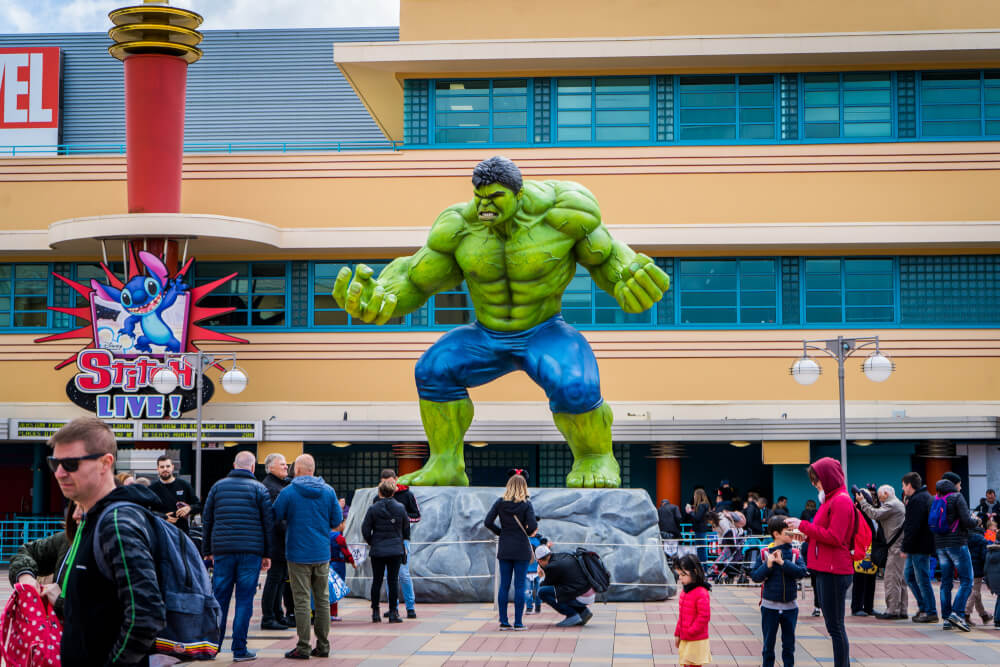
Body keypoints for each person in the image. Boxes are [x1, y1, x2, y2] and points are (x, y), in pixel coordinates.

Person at [334, 156, 669, 490]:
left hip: (544, 330)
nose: (484, 206)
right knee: (433, 368)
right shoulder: (459, 228)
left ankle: (595, 456)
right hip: (487, 335)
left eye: (495, 197)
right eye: (479, 197)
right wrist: (383, 297)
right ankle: (445, 462)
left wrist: (626, 278)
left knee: (575, 386)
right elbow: (415, 278)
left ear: (518, 194)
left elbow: (608, 256)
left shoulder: (563, 213)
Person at [47, 416, 168, 666]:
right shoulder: (94, 519)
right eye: (54, 462)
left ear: (105, 463)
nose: (59, 473)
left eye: (70, 463)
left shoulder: (117, 522)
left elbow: (146, 616)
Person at [202, 450, 275, 662]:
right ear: (253, 468)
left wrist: (207, 550)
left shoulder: (217, 487)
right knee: (244, 600)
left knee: (220, 599)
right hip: (250, 553)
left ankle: (213, 647)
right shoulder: (259, 489)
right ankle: (240, 650)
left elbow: (208, 520)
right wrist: (267, 554)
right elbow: (267, 524)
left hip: (223, 552)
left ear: (234, 465)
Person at [785, 458, 855, 667]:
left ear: (828, 478)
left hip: (834, 569)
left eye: (817, 480)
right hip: (826, 568)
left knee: (835, 626)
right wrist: (804, 534)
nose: (815, 484)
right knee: (833, 625)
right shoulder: (831, 500)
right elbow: (825, 534)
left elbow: (835, 537)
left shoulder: (840, 501)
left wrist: (803, 526)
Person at [273, 454, 343, 659]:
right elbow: (337, 520)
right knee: (322, 600)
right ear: (313, 469)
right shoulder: (329, 491)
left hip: (297, 553)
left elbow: (275, 514)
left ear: (298, 470)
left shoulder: (289, 492)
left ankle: (303, 646)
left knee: (301, 601)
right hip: (321, 553)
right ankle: (323, 646)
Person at [8, 500, 81, 620]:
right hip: (61, 634)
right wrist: (25, 575)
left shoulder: (111, 549)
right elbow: (25, 551)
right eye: (75, 506)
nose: (76, 514)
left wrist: (60, 603)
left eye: (84, 506)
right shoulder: (67, 540)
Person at [751, 516, 807, 667]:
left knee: (789, 646)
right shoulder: (764, 553)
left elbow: (802, 572)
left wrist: (783, 563)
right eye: (788, 531)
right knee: (768, 645)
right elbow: (755, 577)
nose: (792, 533)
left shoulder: (795, 553)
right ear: (776, 534)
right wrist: (767, 565)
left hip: (790, 607)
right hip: (769, 607)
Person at [484, 473, 537, 630]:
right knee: (520, 585)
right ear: (524, 487)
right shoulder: (527, 504)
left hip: (505, 547)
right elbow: (533, 527)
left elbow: (487, 522)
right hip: (521, 548)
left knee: (504, 586)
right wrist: (525, 532)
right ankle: (519, 623)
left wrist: (501, 532)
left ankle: (504, 622)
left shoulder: (500, 503)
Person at [933, 471, 977, 631]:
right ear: (953, 484)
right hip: (957, 543)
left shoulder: (936, 498)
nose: (961, 486)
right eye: (959, 483)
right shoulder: (957, 497)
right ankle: (957, 614)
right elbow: (966, 521)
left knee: (946, 582)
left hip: (940, 545)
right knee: (967, 580)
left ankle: (946, 618)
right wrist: (976, 521)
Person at [362, 479, 410, 624]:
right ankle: (393, 612)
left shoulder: (373, 509)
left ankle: (375, 612)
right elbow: (406, 529)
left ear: (380, 492)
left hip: (378, 550)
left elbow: (365, 529)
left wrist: (372, 541)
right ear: (393, 492)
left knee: (377, 580)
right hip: (395, 549)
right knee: (393, 580)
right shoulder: (400, 508)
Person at [856, 484, 907, 619]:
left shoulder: (891, 505)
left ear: (886, 493)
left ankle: (892, 610)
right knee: (900, 580)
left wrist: (862, 502)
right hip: (898, 546)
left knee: (891, 579)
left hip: (895, 548)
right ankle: (902, 609)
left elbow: (874, 514)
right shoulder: (898, 504)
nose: (880, 500)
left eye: (880, 497)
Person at [375, 469, 421, 619]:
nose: (388, 485)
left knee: (403, 574)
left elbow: (417, 516)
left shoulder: (407, 495)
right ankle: (392, 606)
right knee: (389, 576)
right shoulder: (378, 499)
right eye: (385, 482)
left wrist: (403, 519)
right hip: (384, 541)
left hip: (402, 540)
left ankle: (410, 606)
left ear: (396, 479)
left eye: (390, 482)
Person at [260, 452, 294, 630]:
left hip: (280, 542)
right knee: (274, 579)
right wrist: (292, 531)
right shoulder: (271, 488)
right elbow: (276, 518)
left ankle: (277, 613)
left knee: (280, 579)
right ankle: (268, 617)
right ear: (270, 467)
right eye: (282, 464)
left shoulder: (280, 485)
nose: (286, 467)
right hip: (276, 542)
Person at [900, 472, 937, 623]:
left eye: (903, 485)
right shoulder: (924, 497)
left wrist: (904, 547)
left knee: (922, 579)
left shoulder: (917, 500)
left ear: (909, 485)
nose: (903, 488)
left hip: (919, 547)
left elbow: (912, 527)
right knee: (909, 576)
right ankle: (924, 607)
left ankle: (930, 611)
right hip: (920, 546)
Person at [535, 544, 593, 627]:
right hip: (588, 591)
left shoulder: (551, 567)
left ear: (539, 561)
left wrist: (541, 576)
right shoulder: (562, 555)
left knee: (542, 592)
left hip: (581, 595)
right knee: (560, 589)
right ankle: (583, 611)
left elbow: (545, 585)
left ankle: (572, 615)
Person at [674, 553, 712, 667]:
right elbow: (681, 616)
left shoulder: (701, 592)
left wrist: (689, 632)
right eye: (679, 574)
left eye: (683, 574)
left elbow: (704, 617)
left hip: (696, 639)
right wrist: (677, 633)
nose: (680, 578)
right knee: (686, 663)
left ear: (694, 572)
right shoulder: (685, 592)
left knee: (693, 664)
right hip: (686, 637)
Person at [149, 453, 201, 534]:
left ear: (172, 467)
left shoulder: (184, 485)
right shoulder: (152, 488)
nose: (165, 469)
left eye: (168, 466)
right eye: (162, 467)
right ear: (157, 469)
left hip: (182, 533)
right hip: (160, 532)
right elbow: (146, 511)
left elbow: (199, 505)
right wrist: (163, 517)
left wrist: (189, 508)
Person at [850, 512, 878, 617]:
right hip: (861, 548)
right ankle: (857, 607)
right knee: (859, 579)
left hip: (872, 548)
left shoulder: (874, 514)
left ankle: (868, 607)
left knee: (871, 579)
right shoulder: (858, 514)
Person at [965, 519, 992, 625]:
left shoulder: (965, 536)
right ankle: (966, 613)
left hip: (966, 567)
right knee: (975, 591)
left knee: (976, 592)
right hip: (977, 569)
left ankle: (983, 615)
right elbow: (984, 556)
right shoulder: (981, 539)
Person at [329, 521, 355, 621]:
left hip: (328, 564)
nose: (344, 526)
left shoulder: (326, 535)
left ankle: (327, 613)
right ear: (339, 525)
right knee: (335, 590)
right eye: (343, 524)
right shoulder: (339, 538)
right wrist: (352, 562)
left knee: (328, 589)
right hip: (338, 565)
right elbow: (345, 552)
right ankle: (333, 613)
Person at [685, 488, 713, 566]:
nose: (693, 496)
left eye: (694, 495)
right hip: (702, 529)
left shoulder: (701, 505)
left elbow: (697, 518)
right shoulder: (705, 505)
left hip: (699, 530)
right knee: (702, 549)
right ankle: (704, 569)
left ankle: (703, 569)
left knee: (701, 550)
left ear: (697, 496)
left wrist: (690, 512)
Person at [525, 528, 547, 614]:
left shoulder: (539, 540)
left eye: (535, 529)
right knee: (527, 591)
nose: (534, 531)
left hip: (538, 570)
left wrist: (546, 545)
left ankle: (538, 606)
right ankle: (529, 607)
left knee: (539, 590)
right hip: (526, 570)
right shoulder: (523, 539)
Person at [985, 540, 1000, 627]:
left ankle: (997, 619)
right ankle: (998, 620)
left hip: (992, 578)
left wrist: (987, 582)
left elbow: (985, 568)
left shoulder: (990, 551)